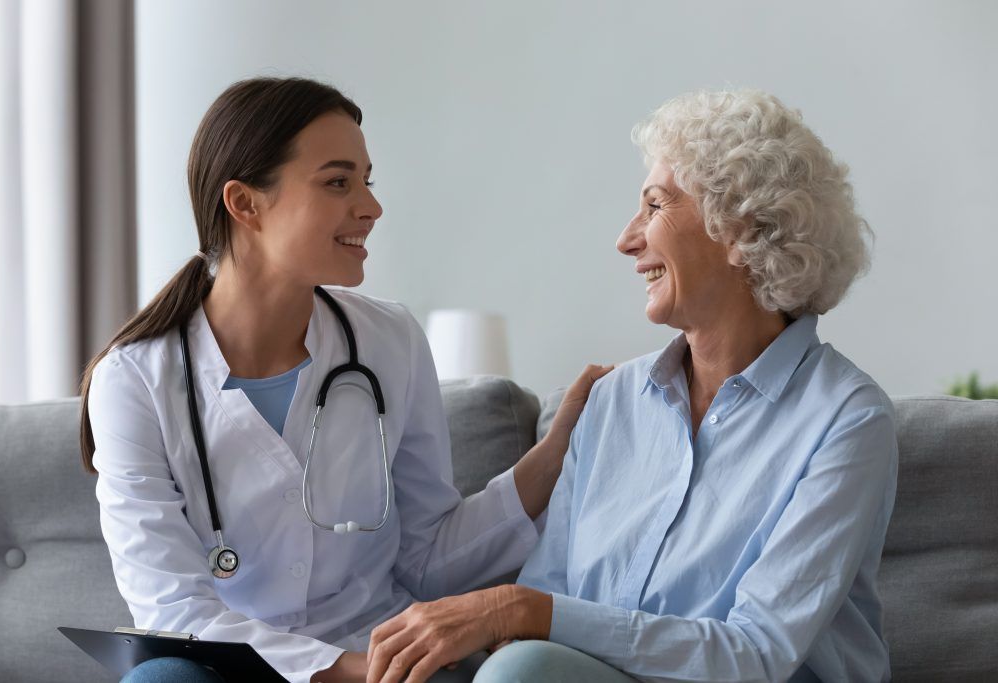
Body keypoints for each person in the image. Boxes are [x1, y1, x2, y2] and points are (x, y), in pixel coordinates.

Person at [79, 77, 610, 683]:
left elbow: (428, 557)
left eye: (367, 181)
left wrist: (555, 451)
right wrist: (357, 674)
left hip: (384, 648)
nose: (371, 207)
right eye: (338, 182)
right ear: (245, 203)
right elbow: (173, 607)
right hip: (249, 669)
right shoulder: (132, 381)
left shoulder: (390, 340)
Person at [365, 89, 899, 683]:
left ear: (740, 226)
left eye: (654, 206)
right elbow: (544, 607)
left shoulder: (846, 418)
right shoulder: (613, 401)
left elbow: (758, 653)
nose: (627, 239)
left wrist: (516, 610)